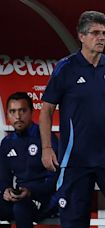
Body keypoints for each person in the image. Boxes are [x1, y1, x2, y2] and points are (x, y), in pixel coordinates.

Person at [39, 11, 105, 228]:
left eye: (104, 33)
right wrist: (46, 148)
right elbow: (46, 110)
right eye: (95, 33)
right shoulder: (66, 67)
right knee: (74, 220)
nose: (100, 38)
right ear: (81, 36)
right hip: (76, 158)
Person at [0, 92, 58, 228]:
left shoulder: (46, 138)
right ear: (8, 115)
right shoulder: (7, 143)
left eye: (22, 111)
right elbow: (3, 178)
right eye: (13, 111)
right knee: (15, 206)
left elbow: (56, 179)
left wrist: (31, 191)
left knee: (20, 208)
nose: (18, 116)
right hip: (19, 198)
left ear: (31, 112)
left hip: (44, 199)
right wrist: (6, 191)